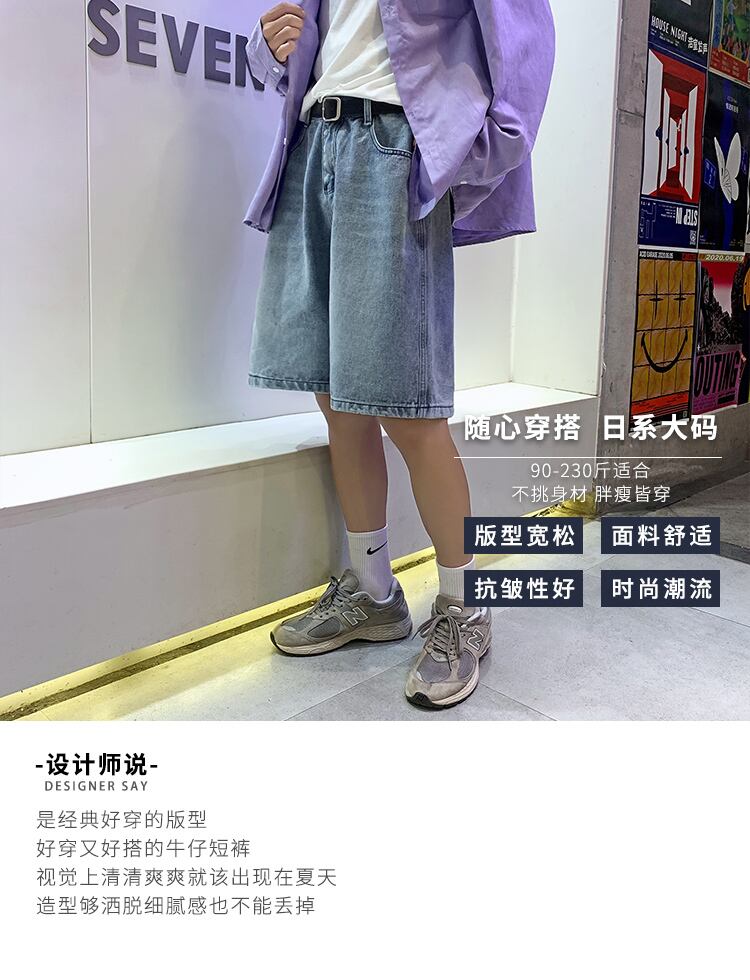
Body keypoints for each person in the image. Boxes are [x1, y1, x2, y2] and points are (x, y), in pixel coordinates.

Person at [243, 0, 555, 709]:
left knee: (410, 409)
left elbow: (525, 43)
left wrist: (466, 152)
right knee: (337, 397)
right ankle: (373, 591)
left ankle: (463, 607)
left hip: (391, 147)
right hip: (312, 145)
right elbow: (317, 47)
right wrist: (270, 45)